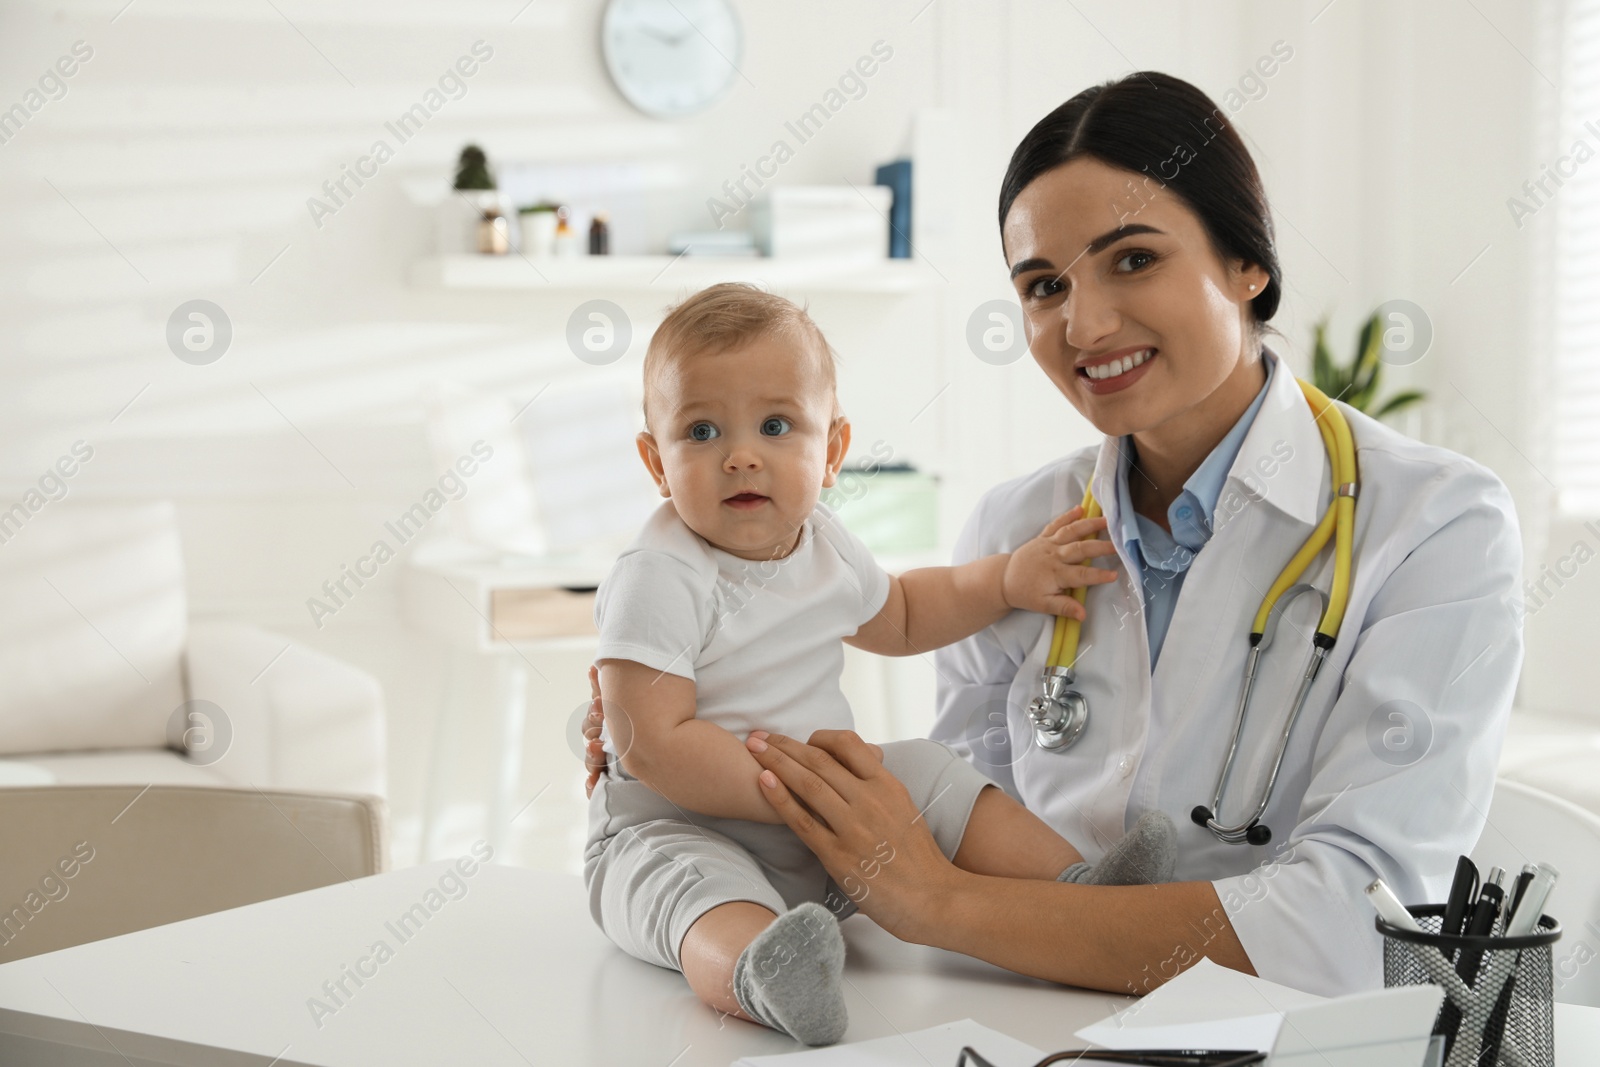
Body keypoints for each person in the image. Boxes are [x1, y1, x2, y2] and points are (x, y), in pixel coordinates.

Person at [585, 70, 1523, 1000]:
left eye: (1134, 259)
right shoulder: (1015, 532)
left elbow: (1359, 927)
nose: (1085, 322)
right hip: (1031, 1015)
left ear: (1248, 264)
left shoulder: (1436, 524)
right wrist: (683, 726)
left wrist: (935, 901)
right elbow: (965, 811)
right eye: (1044, 285)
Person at [584, 282, 1178, 1046]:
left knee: (930, 770)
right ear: (655, 461)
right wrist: (800, 795)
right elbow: (653, 740)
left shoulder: (824, 544)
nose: (740, 456)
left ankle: (1080, 889)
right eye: (700, 431)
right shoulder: (660, 572)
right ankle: (761, 970)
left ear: (831, 450)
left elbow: (898, 613)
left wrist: (1004, 580)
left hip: (828, 828)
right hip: (680, 824)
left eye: (775, 425)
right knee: (695, 893)